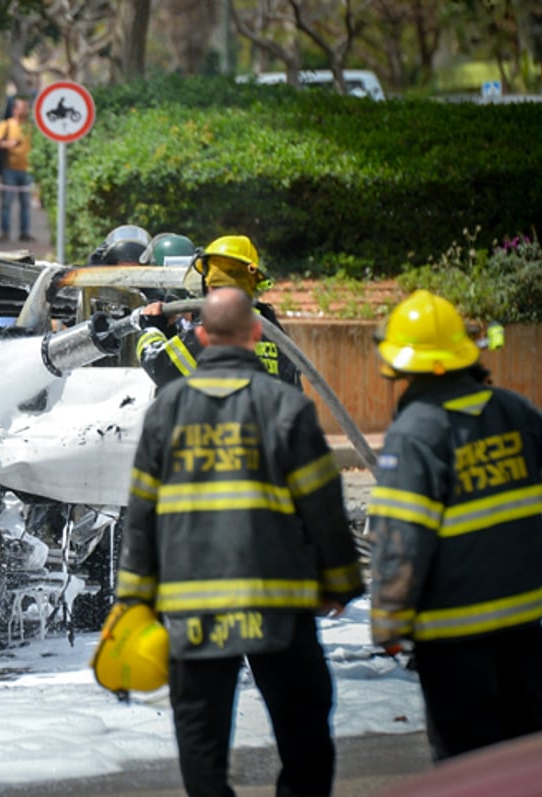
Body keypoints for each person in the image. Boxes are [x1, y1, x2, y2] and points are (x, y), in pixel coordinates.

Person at [117, 286, 365, 797]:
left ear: (202, 336)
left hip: (194, 606)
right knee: (306, 734)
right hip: (278, 604)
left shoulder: (166, 414)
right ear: (256, 334)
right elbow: (322, 506)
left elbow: (142, 515)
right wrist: (340, 582)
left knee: (201, 743)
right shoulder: (286, 407)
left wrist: (134, 600)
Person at [367, 289, 542, 762]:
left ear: (403, 368)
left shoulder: (415, 433)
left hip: (452, 635)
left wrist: (388, 618)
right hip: (524, 624)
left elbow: (400, 539)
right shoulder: (515, 411)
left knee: (467, 767)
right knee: (528, 759)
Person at [132, 234, 301, 388]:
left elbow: (159, 366)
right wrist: (170, 331)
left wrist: (151, 328)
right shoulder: (271, 330)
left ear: (209, 284)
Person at [0, 97, 34, 243]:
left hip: (27, 170)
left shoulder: (30, 127)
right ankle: (5, 233)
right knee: (6, 203)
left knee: (26, 204)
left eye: (26, 107)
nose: (25, 110)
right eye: (22, 107)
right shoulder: (6, 125)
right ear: (15, 109)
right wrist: (8, 144)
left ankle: (25, 233)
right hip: (9, 170)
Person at [86, 224, 151, 265]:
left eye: (132, 263)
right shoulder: (105, 282)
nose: (128, 266)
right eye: (124, 261)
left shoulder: (152, 283)